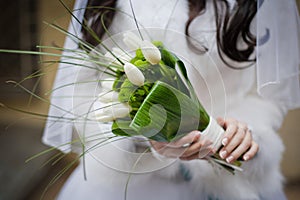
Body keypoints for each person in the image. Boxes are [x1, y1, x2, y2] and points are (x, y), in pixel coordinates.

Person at [43, 0, 300, 199]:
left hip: (228, 181)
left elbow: (268, 93)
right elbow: (84, 91)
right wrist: (144, 134)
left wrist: (242, 136)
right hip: (130, 185)